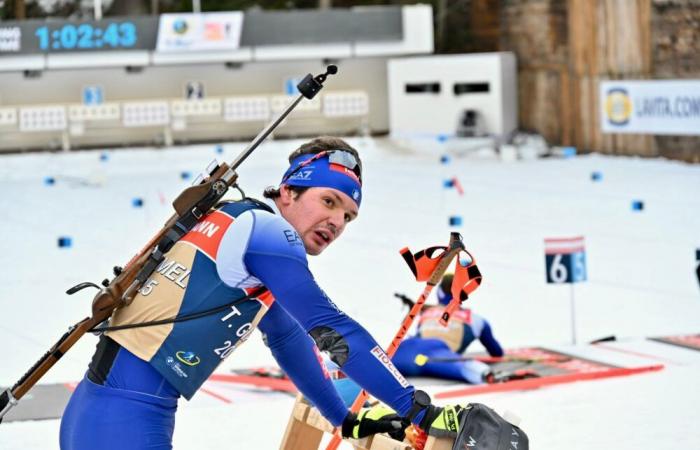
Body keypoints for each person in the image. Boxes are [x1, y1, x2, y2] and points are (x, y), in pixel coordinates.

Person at [59, 137, 470, 450]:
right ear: (288, 192)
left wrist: (342, 420)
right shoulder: (270, 234)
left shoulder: (240, 223)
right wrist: (415, 407)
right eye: (328, 201)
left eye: (347, 215)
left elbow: (288, 338)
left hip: (98, 409)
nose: (336, 221)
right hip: (126, 418)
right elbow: (329, 327)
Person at [393, 274, 505, 384]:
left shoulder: (427, 312)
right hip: (434, 355)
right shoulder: (477, 320)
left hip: (406, 348)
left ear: (439, 293)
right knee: (462, 367)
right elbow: (496, 352)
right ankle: (485, 374)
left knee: (382, 362)